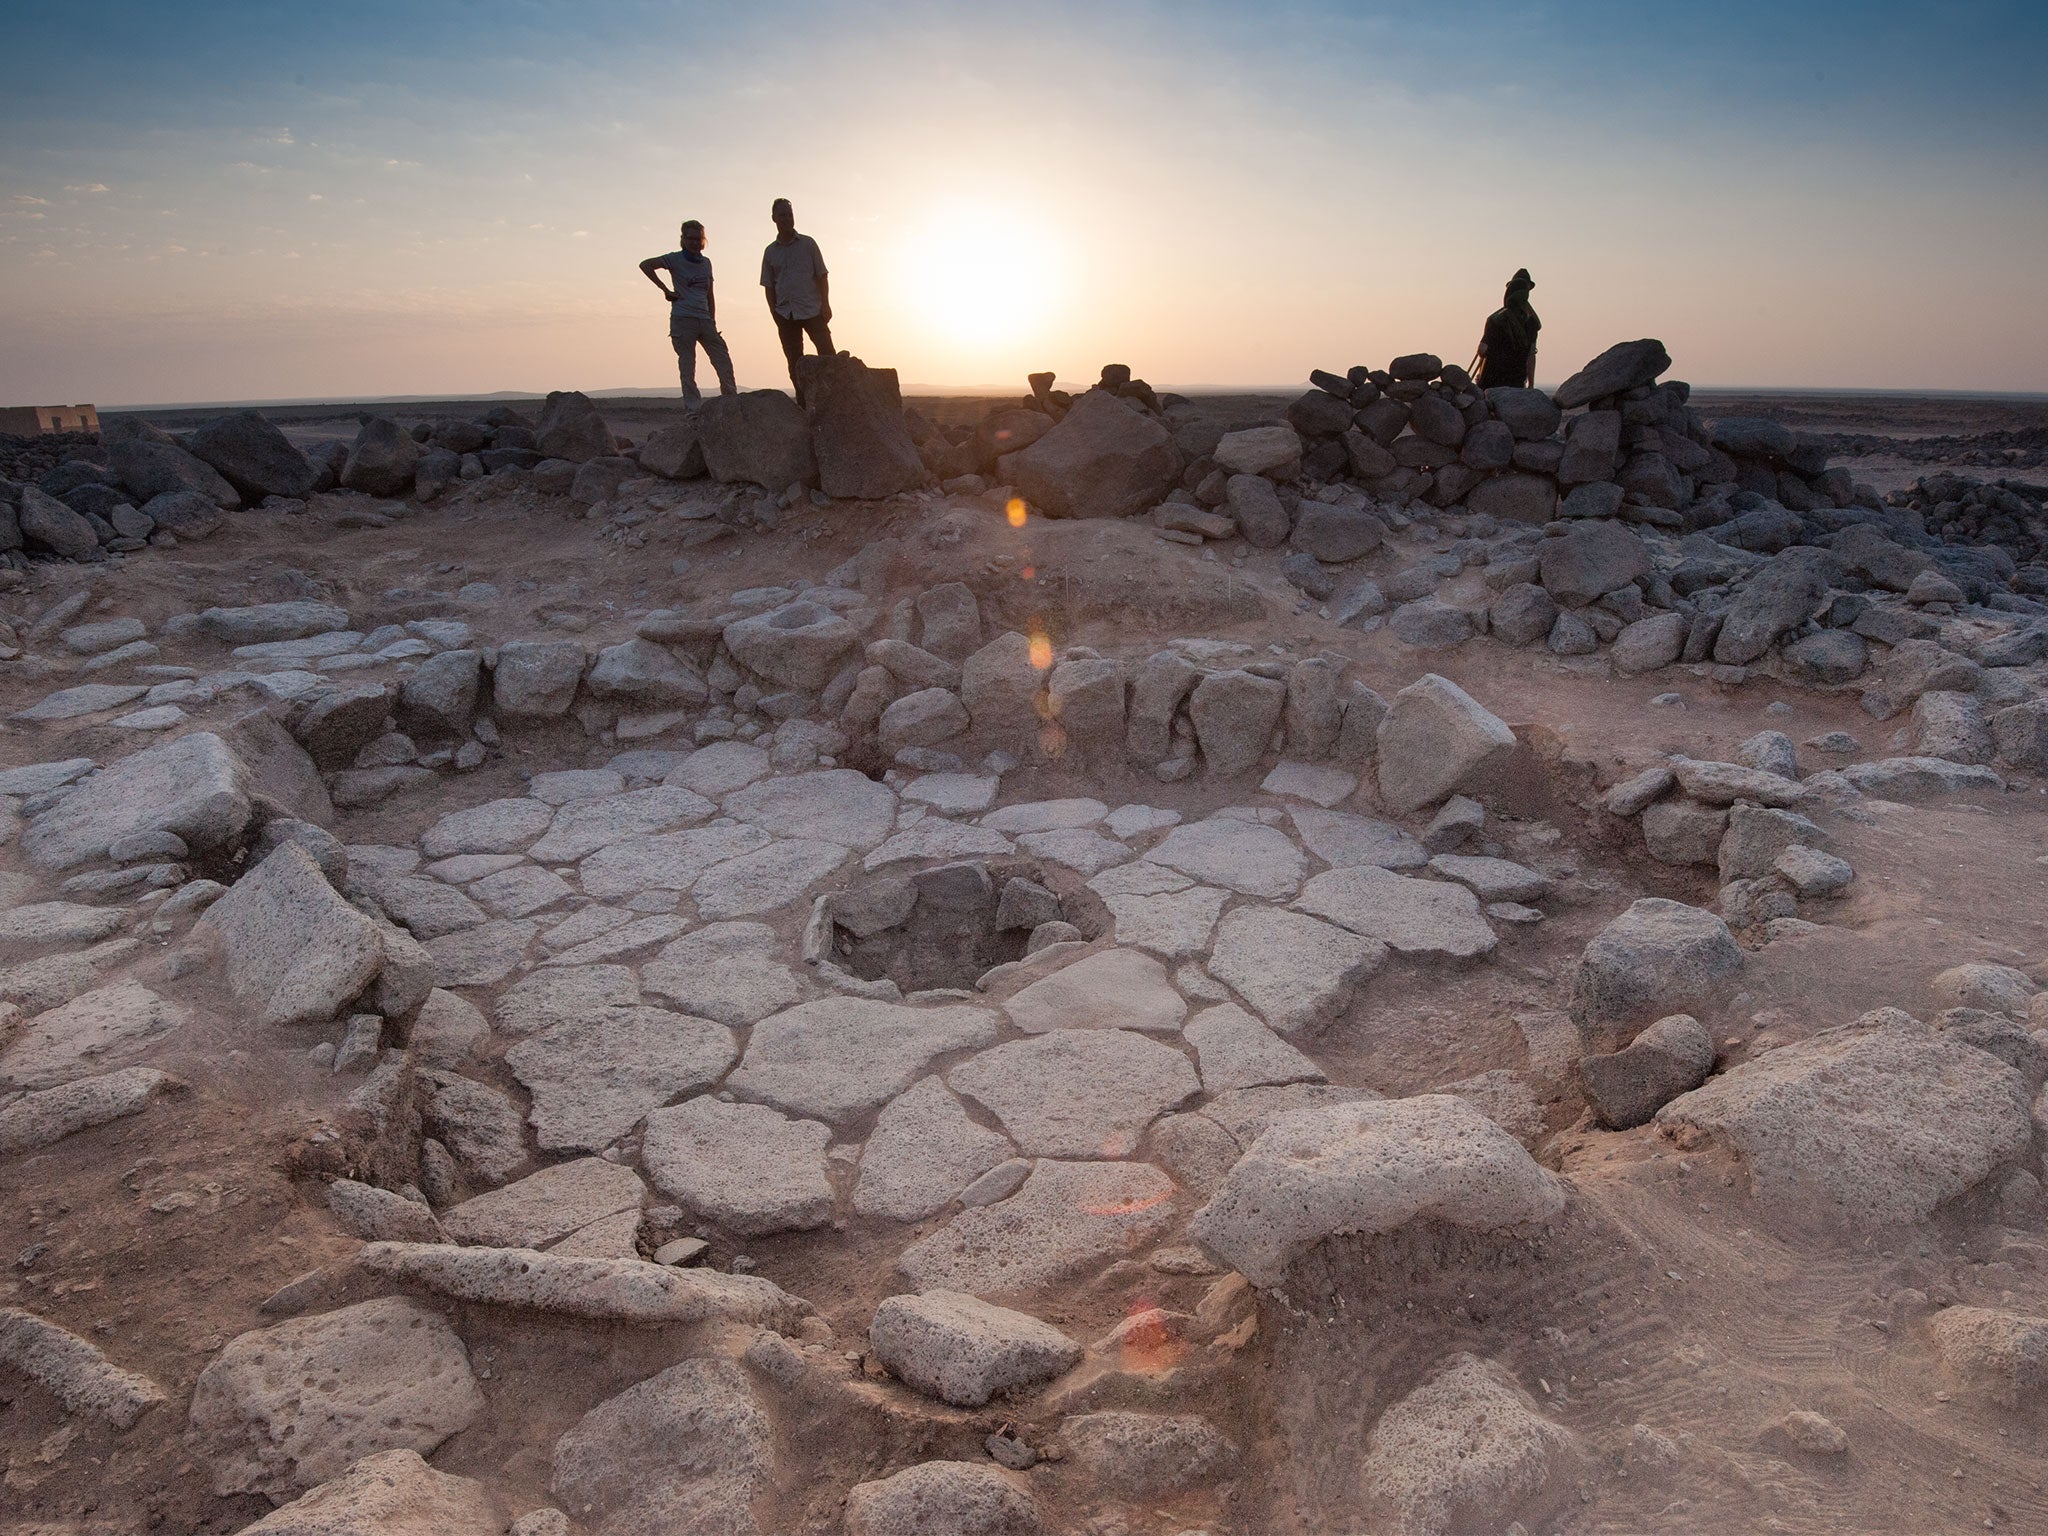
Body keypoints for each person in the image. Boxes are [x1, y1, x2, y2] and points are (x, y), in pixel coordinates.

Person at [639, 219, 736, 410]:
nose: (694, 242)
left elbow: (710, 293)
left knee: (722, 358)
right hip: (683, 319)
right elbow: (646, 265)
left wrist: (712, 319)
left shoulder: (706, 263)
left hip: (705, 319)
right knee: (687, 366)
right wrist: (665, 289)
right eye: (690, 238)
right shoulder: (674, 259)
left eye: (698, 238)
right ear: (683, 239)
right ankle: (693, 410)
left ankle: (731, 402)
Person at [760, 198, 832, 402]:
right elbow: (769, 286)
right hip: (785, 313)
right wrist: (774, 313)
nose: (787, 219)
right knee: (795, 363)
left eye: (790, 214)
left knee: (828, 355)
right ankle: (804, 404)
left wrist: (825, 304)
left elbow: (822, 275)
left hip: (813, 309)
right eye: (782, 215)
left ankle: (834, 400)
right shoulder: (770, 252)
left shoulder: (808, 244)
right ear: (774, 218)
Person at [1474, 268, 1541, 389]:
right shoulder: (1532, 323)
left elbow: (1482, 350)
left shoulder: (1495, 319)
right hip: (1516, 383)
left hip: (1490, 382)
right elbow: (1531, 355)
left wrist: (1479, 373)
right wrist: (1531, 385)